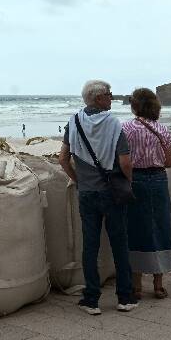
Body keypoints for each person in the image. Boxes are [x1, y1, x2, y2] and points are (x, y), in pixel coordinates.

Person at [59, 80, 137, 316]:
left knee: (90, 246)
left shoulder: (74, 121)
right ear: (99, 98)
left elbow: (63, 158)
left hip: (87, 194)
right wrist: (128, 181)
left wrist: (79, 180)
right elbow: (124, 161)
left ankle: (91, 299)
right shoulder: (113, 123)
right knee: (119, 244)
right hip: (111, 192)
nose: (112, 98)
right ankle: (125, 297)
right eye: (110, 95)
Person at [122, 88, 171, 300]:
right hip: (159, 180)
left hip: (136, 180)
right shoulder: (162, 130)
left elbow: (124, 161)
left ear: (135, 105)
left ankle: (136, 285)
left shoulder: (125, 128)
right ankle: (158, 284)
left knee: (136, 228)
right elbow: (170, 162)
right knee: (160, 228)